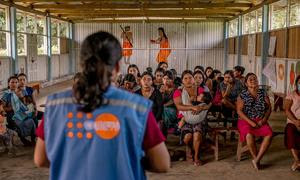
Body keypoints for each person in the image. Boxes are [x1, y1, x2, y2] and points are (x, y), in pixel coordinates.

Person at [34, 31, 170, 180]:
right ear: (117, 67)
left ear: (82, 64)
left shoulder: (55, 105)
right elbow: (161, 164)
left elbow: (41, 159)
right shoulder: (137, 107)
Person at [173, 70, 211, 166]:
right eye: (185, 78)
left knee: (197, 134)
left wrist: (201, 107)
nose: (188, 80)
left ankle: (196, 156)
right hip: (185, 117)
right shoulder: (179, 91)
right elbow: (179, 106)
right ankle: (191, 148)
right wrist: (192, 107)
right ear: (182, 81)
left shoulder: (200, 90)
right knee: (187, 137)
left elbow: (209, 102)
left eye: (190, 78)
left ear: (193, 79)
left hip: (199, 117)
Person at [236, 73, 273, 170]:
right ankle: (256, 159)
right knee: (249, 135)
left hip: (260, 119)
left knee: (269, 134)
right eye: (250, 80)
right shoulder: (243, 95)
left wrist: (264, 120)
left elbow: (269, 108)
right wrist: (251, 122)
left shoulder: (263, 92)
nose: (253, 81)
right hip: (245, 120)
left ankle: (256, 160)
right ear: (246, 83)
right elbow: (239, 111)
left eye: (255, 79)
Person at [1, 76, 35, 146]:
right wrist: (11, 108)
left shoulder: (21, 92)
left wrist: (22, 98)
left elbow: (26, 104)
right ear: (8, 84)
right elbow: (2, 108)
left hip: (20, 113)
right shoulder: (6, 94)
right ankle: (23, 139)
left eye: (16, 82)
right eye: (12, 82)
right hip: (11, 115)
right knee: (19, 124)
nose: (14, 84)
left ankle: (33, 139)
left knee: (31, 121)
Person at [284, 75, 300, 171]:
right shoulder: (291, 95)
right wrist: (295, 121)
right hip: (293, 121)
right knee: (290, 132)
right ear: (297, 84)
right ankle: (297, 160)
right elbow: (286, 110)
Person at [160, 70, 177, 137]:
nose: (166, 80)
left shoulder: (176, 88)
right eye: (164, 78)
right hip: (163, 109)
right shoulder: (160, 87)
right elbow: (160, 101)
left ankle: (166, 127)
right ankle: (166, 128)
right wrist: (162, 93)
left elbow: (173, 101)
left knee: (163, 110)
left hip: (174, 110)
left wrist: (164, 105)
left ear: (172, 79)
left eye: (168, 79)